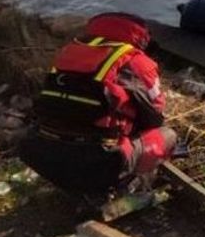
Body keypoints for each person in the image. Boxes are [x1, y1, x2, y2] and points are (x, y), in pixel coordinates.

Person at [19, 12, 176, 199]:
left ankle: (76, 181)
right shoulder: (137, 61)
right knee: (168, 136)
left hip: (41, 155)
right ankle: (129, 184)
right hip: (97, 164)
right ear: (141, 36)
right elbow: (155, 118)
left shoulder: (68, 52)